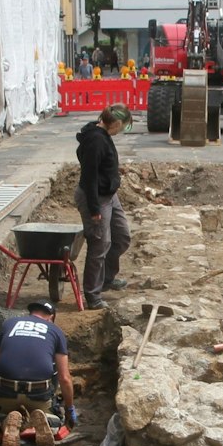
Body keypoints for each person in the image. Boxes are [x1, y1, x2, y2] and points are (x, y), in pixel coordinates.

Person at [0, 300, 77, 446]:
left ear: (31, 313)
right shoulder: (55, 330)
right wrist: (69, 409)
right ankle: (49, 421)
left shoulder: (9, 324)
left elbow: (0, 363)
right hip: (38, 395)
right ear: (51, 317)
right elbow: (65, 378)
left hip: (6, 392)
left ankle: (3, 422)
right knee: (57, 414)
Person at [75, 103, 132, 309]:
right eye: (123, 126)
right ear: (115, 124)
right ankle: (93, 295)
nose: (123, 130)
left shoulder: (100, 133)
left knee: (122, 237)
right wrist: (94, 209)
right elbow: (89, 176)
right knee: (99, 244)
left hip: (108, 195)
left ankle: (106, 278)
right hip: (96, 198)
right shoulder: (96, 140)